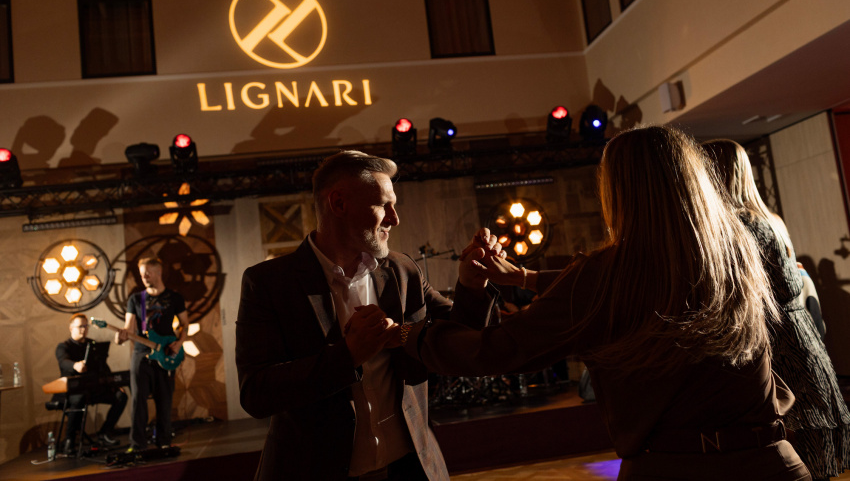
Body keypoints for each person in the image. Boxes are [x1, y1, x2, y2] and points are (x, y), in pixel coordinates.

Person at [394, 126, 811, 480]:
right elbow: (644, 289)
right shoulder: (736, 256)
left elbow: (495, 351)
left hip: (678, 468)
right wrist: (523, 277)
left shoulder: (605, 276)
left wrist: (405, 334)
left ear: (619, 190)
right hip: (774, 463)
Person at [236, 150, 498, 481]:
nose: (394, 218)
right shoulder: (269, 283)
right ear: (339, 204)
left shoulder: (402, 270)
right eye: (383, 205)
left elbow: (463, 340)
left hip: (410, 469)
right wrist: (348, 355)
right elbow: (256, 394)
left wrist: (471, 285)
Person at [704, 138, 850, 480]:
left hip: (779, 341)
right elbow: (791, 284)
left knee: (792, 445)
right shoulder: (767, 219)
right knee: (807, 448)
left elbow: (779, 289)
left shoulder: (739, 226)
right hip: (795, 336)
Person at [115, 257, 188, 451]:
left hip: (166, 353)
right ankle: (137, 444)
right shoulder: (135, 299)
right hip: (142, 354)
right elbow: (128, 328)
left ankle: (164, 442)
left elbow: (185, 324)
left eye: (147, 273)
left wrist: (179, 343)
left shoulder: (175, 297)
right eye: (142, 274)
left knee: (164, 400)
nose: (144, 277)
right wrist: (120, 337)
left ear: (159, 272)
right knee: (138, 400)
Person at [55, 313, 127, 454]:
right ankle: (69, 439)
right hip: (73, 391)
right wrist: (75, 365)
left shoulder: (92, 344)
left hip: (93, 389)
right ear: (71, 328)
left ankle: (105, 432)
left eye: (86, 326)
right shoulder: (63, 347)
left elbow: (103, 365)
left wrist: (113, 383)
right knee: (79, 399)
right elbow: (63, 362)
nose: (84, 329)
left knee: (120, 396)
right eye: (80, 326)